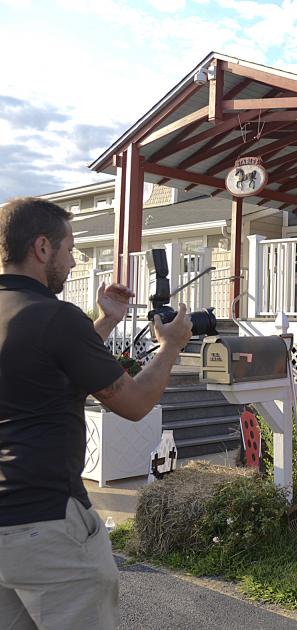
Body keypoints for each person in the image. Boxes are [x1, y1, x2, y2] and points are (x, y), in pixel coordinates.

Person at [0, 197, 193, 629]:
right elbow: (135, 403)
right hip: (47, 523)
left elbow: (43, 361)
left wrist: (106, 321)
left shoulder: (25, 318)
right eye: (70, 250)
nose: (73, 263)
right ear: (43, 247)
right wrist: (171, 346)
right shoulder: (55, 317)